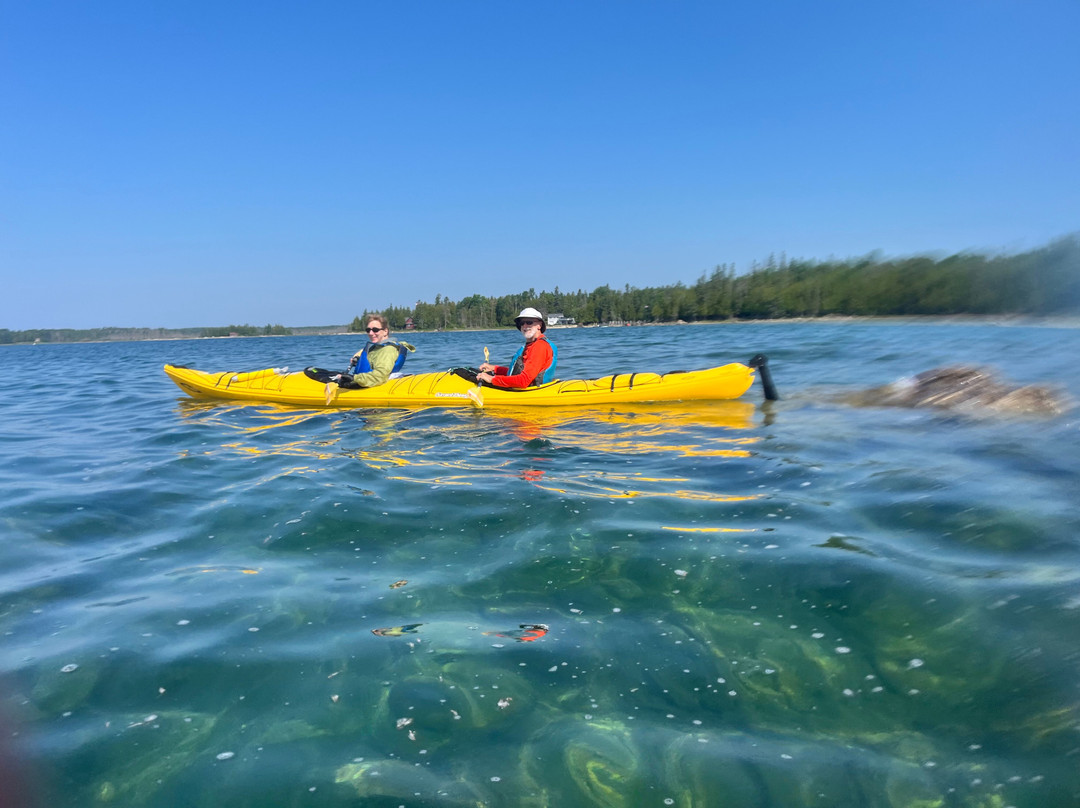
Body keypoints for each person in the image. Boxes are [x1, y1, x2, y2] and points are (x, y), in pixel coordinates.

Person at [477, 307, 558, 388]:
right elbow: (515, 373)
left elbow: (523, 381)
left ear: (539, 325)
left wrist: (492, 379)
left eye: (529, 322)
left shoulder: (540, 347)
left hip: (531, 392)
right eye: (522, 323)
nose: (525, 326)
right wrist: (495, 369)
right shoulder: (532, 345)